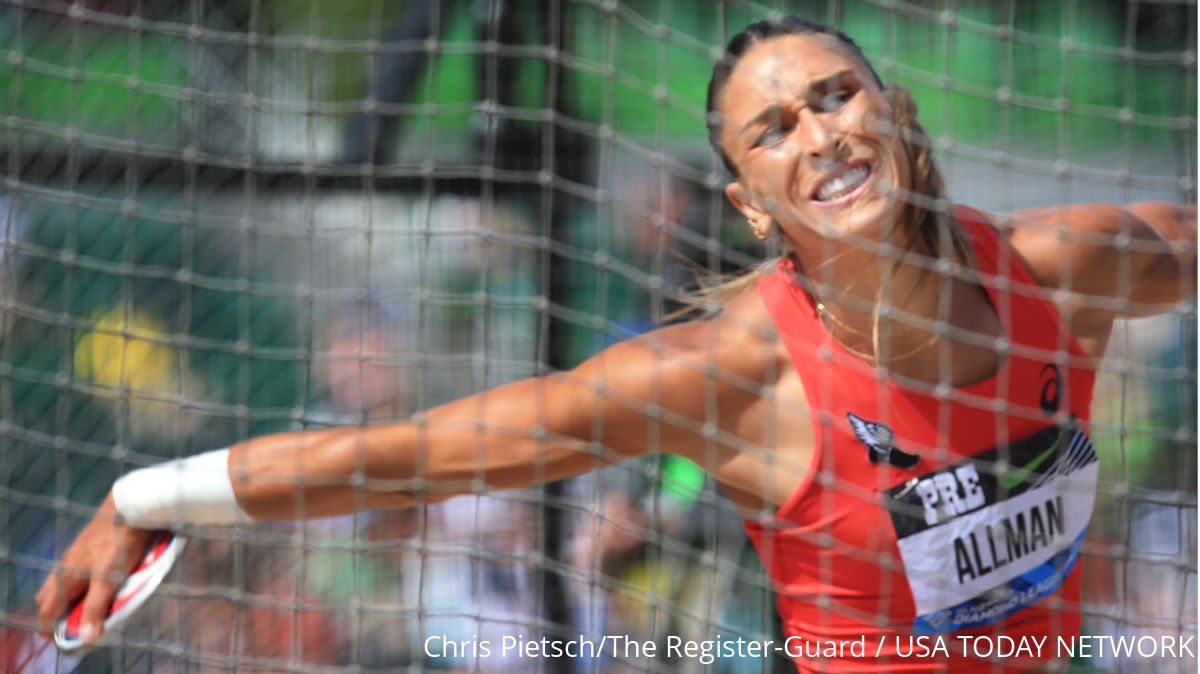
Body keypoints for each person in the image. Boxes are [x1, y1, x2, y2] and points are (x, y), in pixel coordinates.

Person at [37, 16, 1195, 673]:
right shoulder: (726, 379)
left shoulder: (1068, 264)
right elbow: (413, 454)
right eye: (774, 129)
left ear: (895, 114)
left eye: (839, 96)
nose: (822, 134)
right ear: (751, 204)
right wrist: (154, 490)